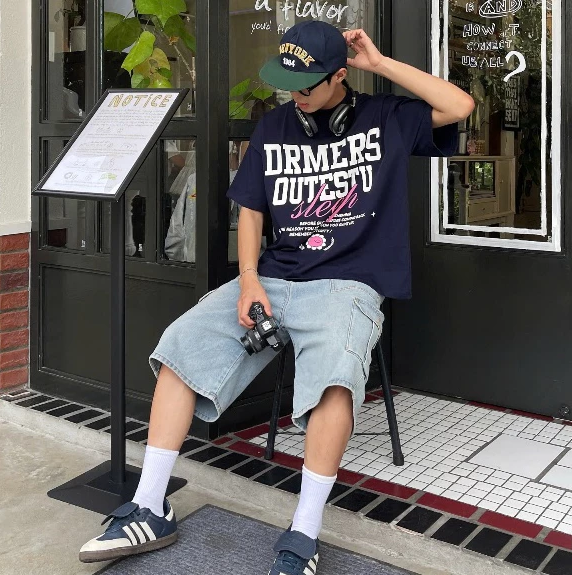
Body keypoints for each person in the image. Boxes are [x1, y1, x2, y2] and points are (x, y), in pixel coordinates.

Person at [79, 21, 474, 574]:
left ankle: (304, 532)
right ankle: (149, 506)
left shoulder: (384, 118)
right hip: (271, 279)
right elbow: (252, 212)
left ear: (339, 76)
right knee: (180, 346)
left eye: (307, 85)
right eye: (288, 84)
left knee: (334, 379)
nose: (296, 95)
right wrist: (248, 279)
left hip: (346, 285)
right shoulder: (273, 127)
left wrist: (381, 64)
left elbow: (460, 106)